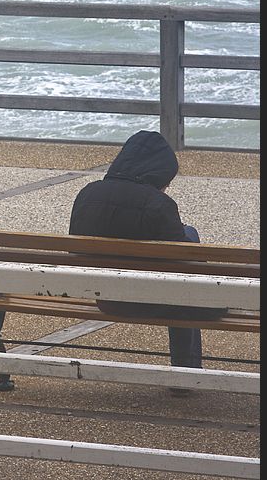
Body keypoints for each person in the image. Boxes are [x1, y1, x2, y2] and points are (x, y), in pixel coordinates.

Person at [68, 130, 226, 377]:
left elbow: (74, 250)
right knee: (188, 254)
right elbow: (184, 266)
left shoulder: (88, 194)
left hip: (107, 299)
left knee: (182, 255)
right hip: (149, 301)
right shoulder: (159, 205)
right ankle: (186, 373)